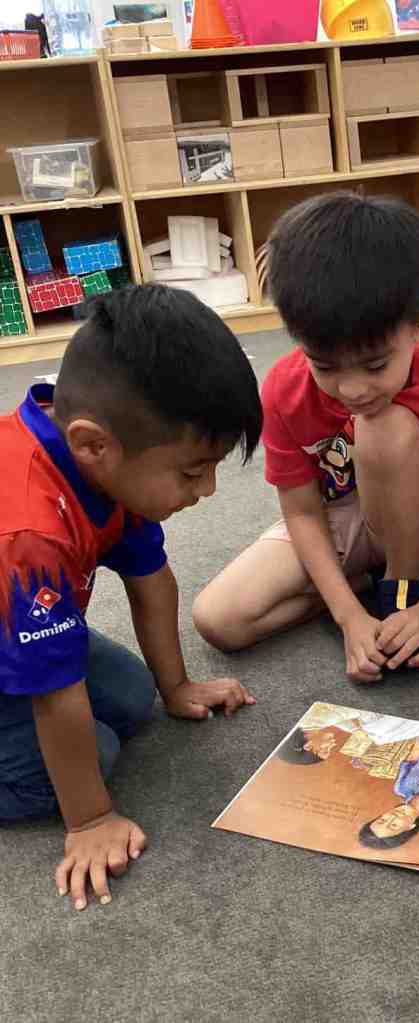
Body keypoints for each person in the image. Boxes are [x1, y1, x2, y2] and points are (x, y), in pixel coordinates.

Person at [0, 286, 262, 911]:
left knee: (134, 698)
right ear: (93, 444)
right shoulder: (29, 530)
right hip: (17, 626)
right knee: (93, 752)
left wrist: (177, 686)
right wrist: (89, 820)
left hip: (22, 626)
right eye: (192, 471)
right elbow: (54, 691)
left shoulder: (99, 461)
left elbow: (152, 578)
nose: (208, 489)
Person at [193, 192, 419, 680]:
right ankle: (361, 586)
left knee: (381, 426)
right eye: (325, 365)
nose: (353, 389)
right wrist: (347, 615)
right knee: (220, 619)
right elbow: (301, 510)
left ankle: (402, 587)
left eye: (376, 364)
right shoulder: (283, 389)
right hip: (348, 519)